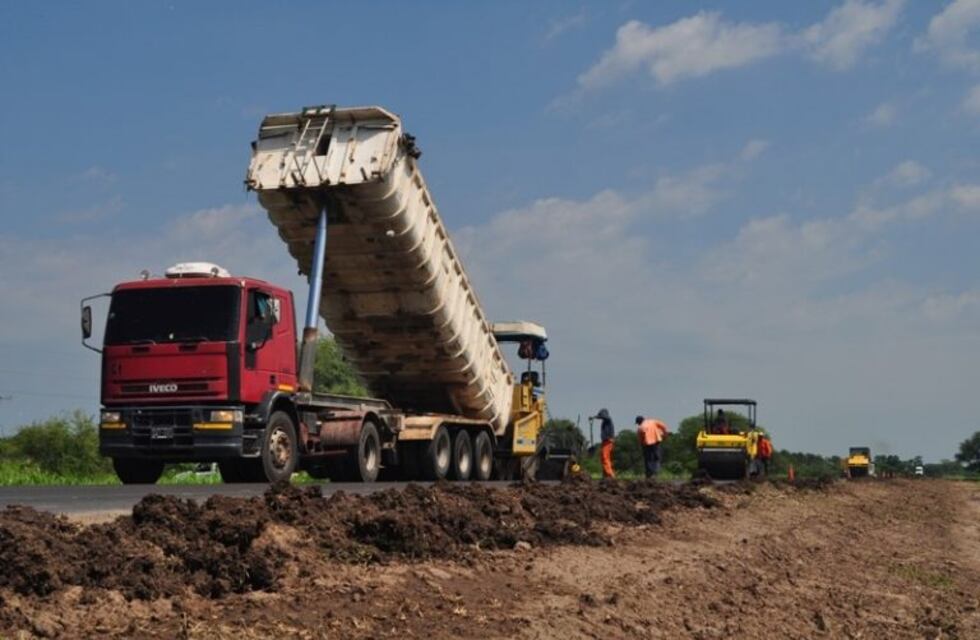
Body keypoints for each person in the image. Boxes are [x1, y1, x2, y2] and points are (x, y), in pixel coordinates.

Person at [591, 408, 616, 478]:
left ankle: (610, 475)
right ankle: (606, 474)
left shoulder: (608, 419)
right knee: (604, 458)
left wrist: (595, 417)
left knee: (605, 458)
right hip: (606, 441)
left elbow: (605, 417)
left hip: (608, 441)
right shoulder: (605, 421)